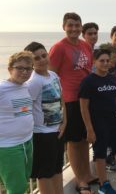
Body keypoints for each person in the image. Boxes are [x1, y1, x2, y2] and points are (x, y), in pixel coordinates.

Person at [79, 49, 116, 194]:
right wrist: (89, 129)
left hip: (114, 120)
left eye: (107, 60)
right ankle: (103, 185)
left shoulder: (113, 78)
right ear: (94, 62)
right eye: (102, 61)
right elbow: (83, 107)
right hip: (98, 123)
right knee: (100, 153)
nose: (105, 63)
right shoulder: (88, 81)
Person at [48, 12, 96, 193]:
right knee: (74, 142)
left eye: (77, 25)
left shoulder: (85, 46)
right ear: (64, 27)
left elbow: (88, 70)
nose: (74, 29)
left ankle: (87, 174)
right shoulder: (59, 48)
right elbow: (51, 76)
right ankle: (80, 180)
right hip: (69, 100)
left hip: (85, 98)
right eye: (70, 25)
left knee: (84, 139)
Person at [24, 42, 66, 194]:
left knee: (57, 168)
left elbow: (61, 99)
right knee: (44, 174)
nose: (42, 60)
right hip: (42, 134)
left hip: (57, 130)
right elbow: (26, 109)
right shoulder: (33, 82)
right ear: (31, 62)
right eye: (36, 58)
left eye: (44, 55)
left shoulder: (53, 75)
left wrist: (64, 122)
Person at [0, 51, 34, 194]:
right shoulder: (2, 89)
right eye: (19, 68)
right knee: (17, 188)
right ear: (10, 69)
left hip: (27, 141)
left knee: (23, 180)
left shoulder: (25, 86)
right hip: (8, 146)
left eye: (28, 68)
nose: (24, 72)